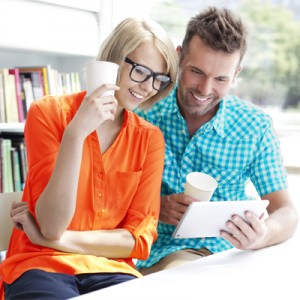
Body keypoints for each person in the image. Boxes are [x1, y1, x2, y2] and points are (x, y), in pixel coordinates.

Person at [0, 17, 178, 299]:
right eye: (141, 71)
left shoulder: (149, 139)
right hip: (39, 265)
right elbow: (51, 224)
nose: (148, 87)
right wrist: (76, 133)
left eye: (159, 79)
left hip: (113, 271)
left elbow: (136, 241)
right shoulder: (47, 114)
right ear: (114, 60)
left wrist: (55, 239)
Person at [134, 6, 299, 275]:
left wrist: (263, 233)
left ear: (236, 74)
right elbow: (103, 192)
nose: (205, 89)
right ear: (179, 57)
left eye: (221, 78)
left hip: (221, 257)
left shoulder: (254, 127)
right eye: (196, 71)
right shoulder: (144, 110)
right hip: (146, 251)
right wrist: (155, 207)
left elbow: (287, 213)